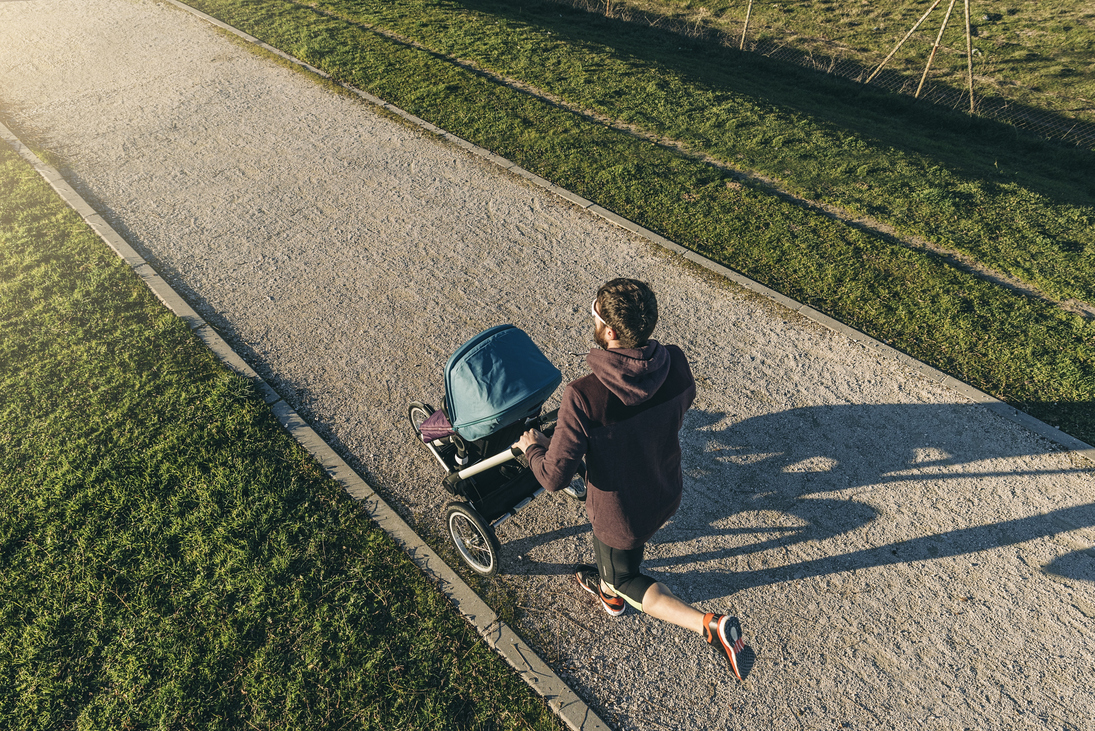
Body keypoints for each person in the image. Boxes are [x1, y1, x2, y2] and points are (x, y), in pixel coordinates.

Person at [515, 278, 750, 682]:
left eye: (593, 314)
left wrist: (533, 448)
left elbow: (554, 478)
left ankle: (705, 624)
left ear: (608, 331)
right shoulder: (675, 361)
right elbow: (684, 400)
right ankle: (608, 592)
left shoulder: (584, 395)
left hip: (622, 514)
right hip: (665, 486)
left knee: (625, 575)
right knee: (616, 563)